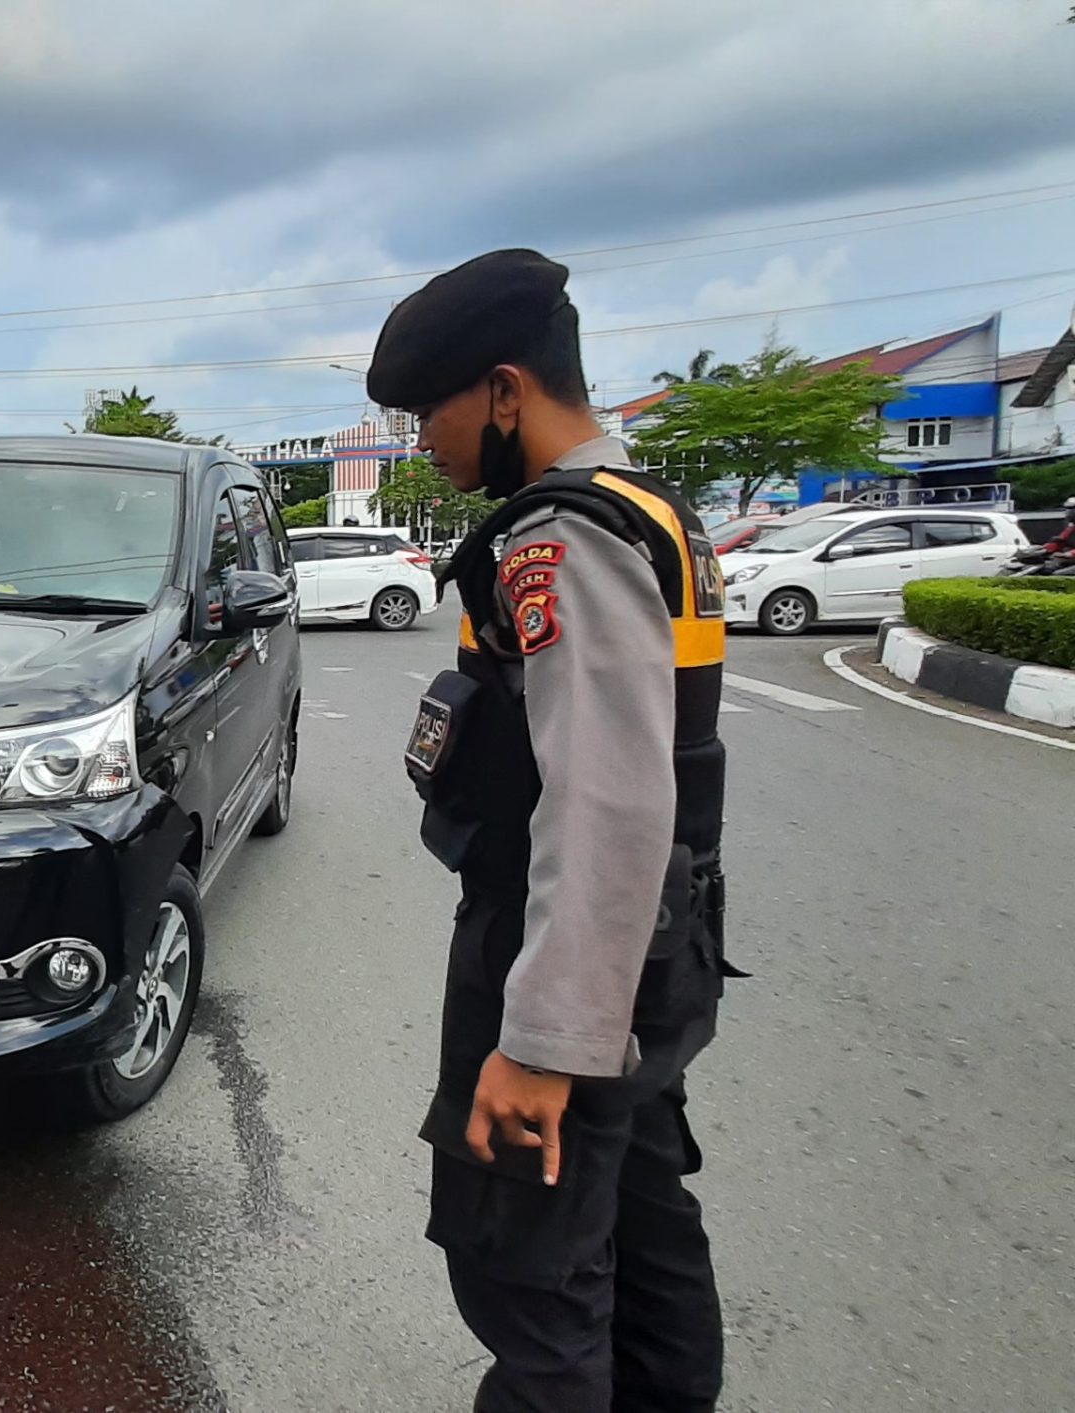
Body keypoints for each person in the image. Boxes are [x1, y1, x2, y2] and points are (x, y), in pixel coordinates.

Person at [369, 249, 733, 1413]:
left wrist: (542, 1043)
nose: (421, 441)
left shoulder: (558, 539)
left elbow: (605, 793)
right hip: (649, 950)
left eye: (428, 412)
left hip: (568, 959)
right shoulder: (650, 508)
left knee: (533, 1280)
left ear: (504, 391)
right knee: (641, 1233)